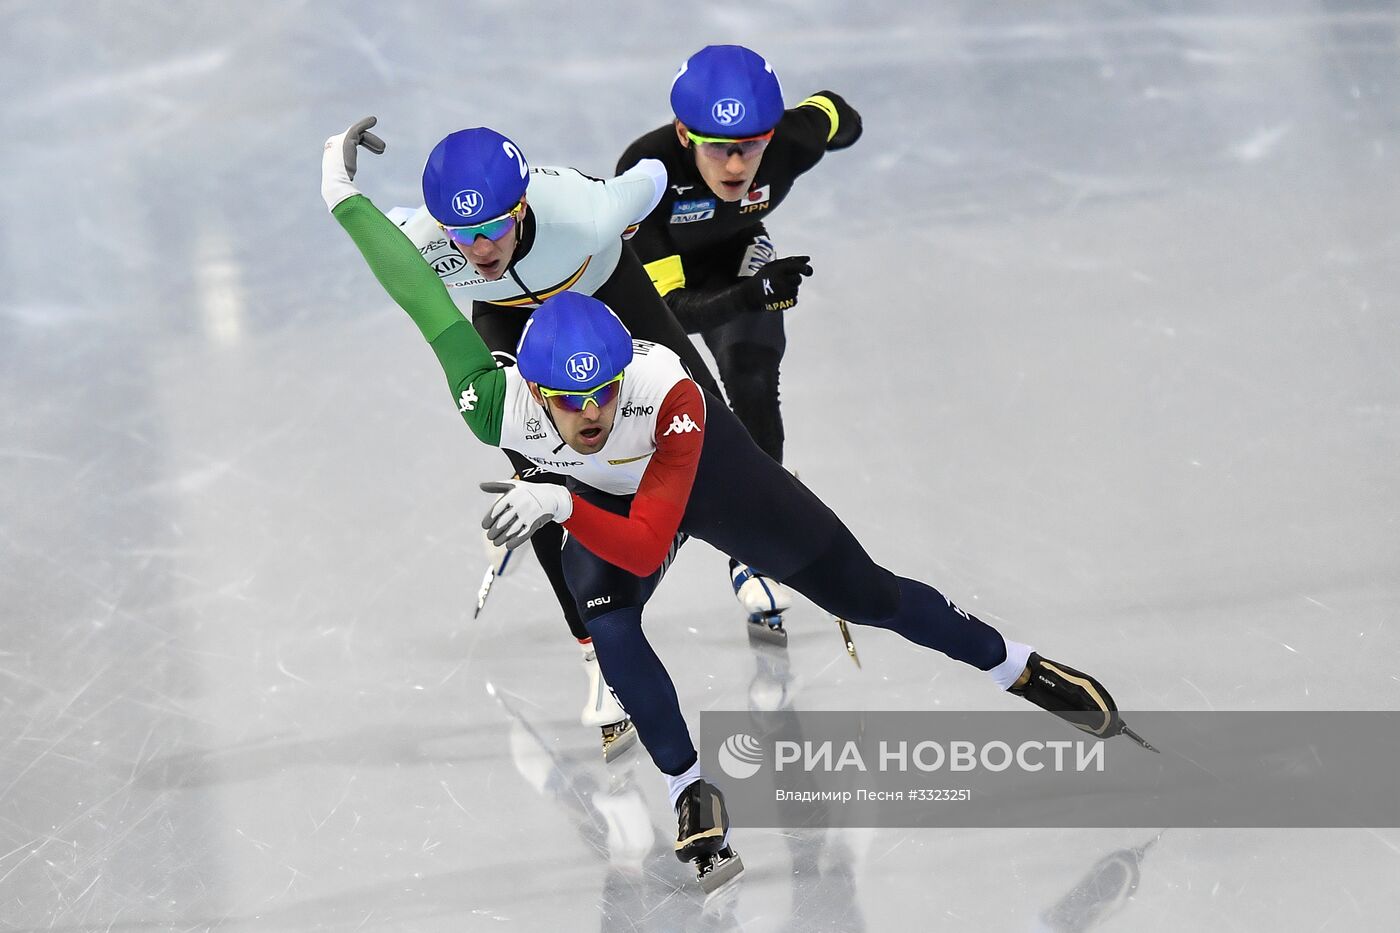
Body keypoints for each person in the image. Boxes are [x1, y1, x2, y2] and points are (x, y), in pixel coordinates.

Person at [321, 128, 1151, 889]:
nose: (590, 415)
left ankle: (1015, 662)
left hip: (690, 470)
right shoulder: (492, 404)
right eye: (567, 402)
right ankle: (690, 788)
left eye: (604, 393)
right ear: (527, 389)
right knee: (606, 622)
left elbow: (647, 542)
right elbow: (420, 300)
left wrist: (559, 504)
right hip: (593, 490)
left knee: (865, 595)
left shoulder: (671, 394)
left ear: (629, 369)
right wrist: (339, 192)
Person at [325, 116, 724, 761]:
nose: (480, 250)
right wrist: (339, 185)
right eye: (464, 233)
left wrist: (671, 168)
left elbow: (647, 180)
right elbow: (383, 240)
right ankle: (595, 649)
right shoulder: (429, 239)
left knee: (698, 416)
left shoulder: (583, 215)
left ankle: (749, 544)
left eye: (494, 227)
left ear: (523, 207)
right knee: (538, 483)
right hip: (512, 332)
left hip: (596, 305)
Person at [617, 45, 864, 642]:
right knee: (677, 409)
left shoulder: (789, 141)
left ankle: (753, 548)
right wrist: (753, 296)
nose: (735, 166)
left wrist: (823, 121)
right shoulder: (645, 172)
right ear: (683, 133)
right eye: (717, 147)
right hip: (657, 282)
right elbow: (673, 312)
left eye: (750, 146)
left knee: (753, 384)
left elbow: (840, 115)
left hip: (736, 266)